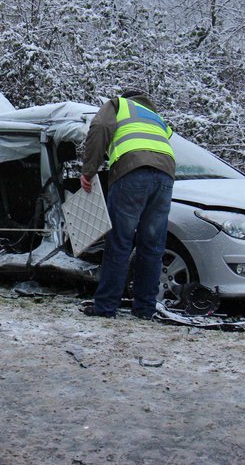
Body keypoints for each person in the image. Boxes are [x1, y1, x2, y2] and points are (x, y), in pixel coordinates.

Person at [79, 89, 175, 319]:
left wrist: (88, 170)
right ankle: (144, 309)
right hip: (165, 176)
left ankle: (105, 307)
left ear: (126, 97)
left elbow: (100, 128)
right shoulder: (155, 117)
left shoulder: (118, 104)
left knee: (120, 242)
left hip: (132, 173)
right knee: (152, 247)